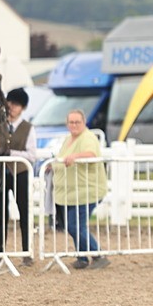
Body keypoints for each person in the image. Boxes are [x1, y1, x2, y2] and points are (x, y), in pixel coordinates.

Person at [52, 109, 110, 270]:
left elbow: (91, 155)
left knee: (75, 226)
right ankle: (82, 257)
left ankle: (98, 254)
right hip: (72, 193)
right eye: (71, 122)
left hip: (86, 191)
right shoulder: (68, 140)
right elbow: (63, 158)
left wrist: (76, 157)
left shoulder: (88, 138)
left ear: (84, 123)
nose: (74, 125)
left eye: (77, 122)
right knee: (75, 224)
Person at [0, 88, 37, 267]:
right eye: (10, 103)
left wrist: (11, 153)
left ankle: (26, 252)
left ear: (22, 108)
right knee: (0, 213)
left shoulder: (28, 129)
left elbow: (31, 155)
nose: (11, 107)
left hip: (20, 174)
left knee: (24, 212)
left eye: (16, 104)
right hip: (1, 174)